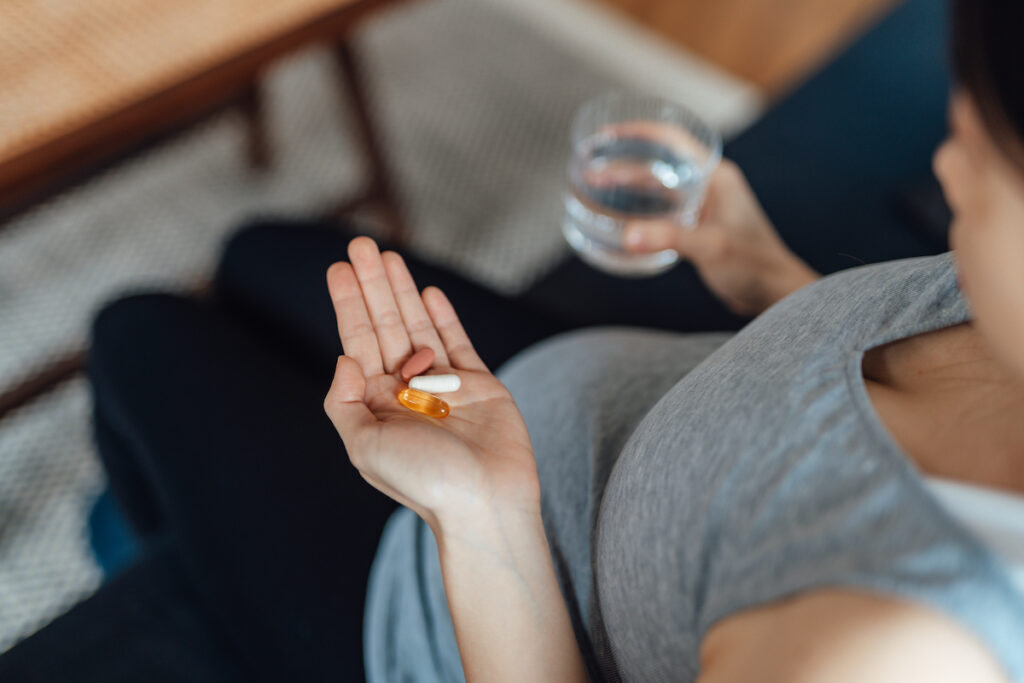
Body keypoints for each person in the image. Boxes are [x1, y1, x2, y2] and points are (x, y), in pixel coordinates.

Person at [1, 0, 1021, 681]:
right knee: (258, 251)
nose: (941, 169)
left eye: (979, 153)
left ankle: (149, 552)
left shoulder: (881, 646)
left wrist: (482, 515)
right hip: (576, 404)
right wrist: (780, 288)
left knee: (138, 332)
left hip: (445, 606)